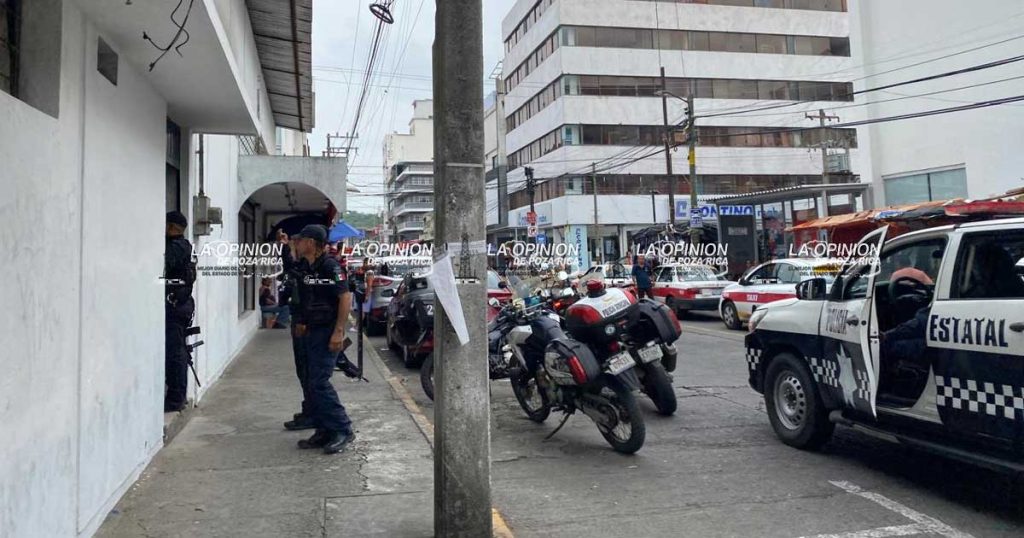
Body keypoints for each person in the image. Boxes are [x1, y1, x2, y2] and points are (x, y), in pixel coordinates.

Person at [292, 225, 356, 454]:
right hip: (311, 330)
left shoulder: (330, 266)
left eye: (300, 240)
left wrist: (339, 331)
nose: (296, 244)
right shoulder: (307, 267)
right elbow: (305, 297)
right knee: (311, 381)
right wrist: (301, 322)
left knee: (320, 381)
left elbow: (345, 297)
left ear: (311, 243)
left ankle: (342, 429)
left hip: (327, 330)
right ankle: (324, 429)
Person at [164, 211, 196, 412]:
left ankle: (176, 399)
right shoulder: (184, 246)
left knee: (176, 354)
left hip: (177, 306)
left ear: (173, 228)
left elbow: (163, 264)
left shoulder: (177, 247)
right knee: (177, 352)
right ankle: (177, 397)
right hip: (181, 305)